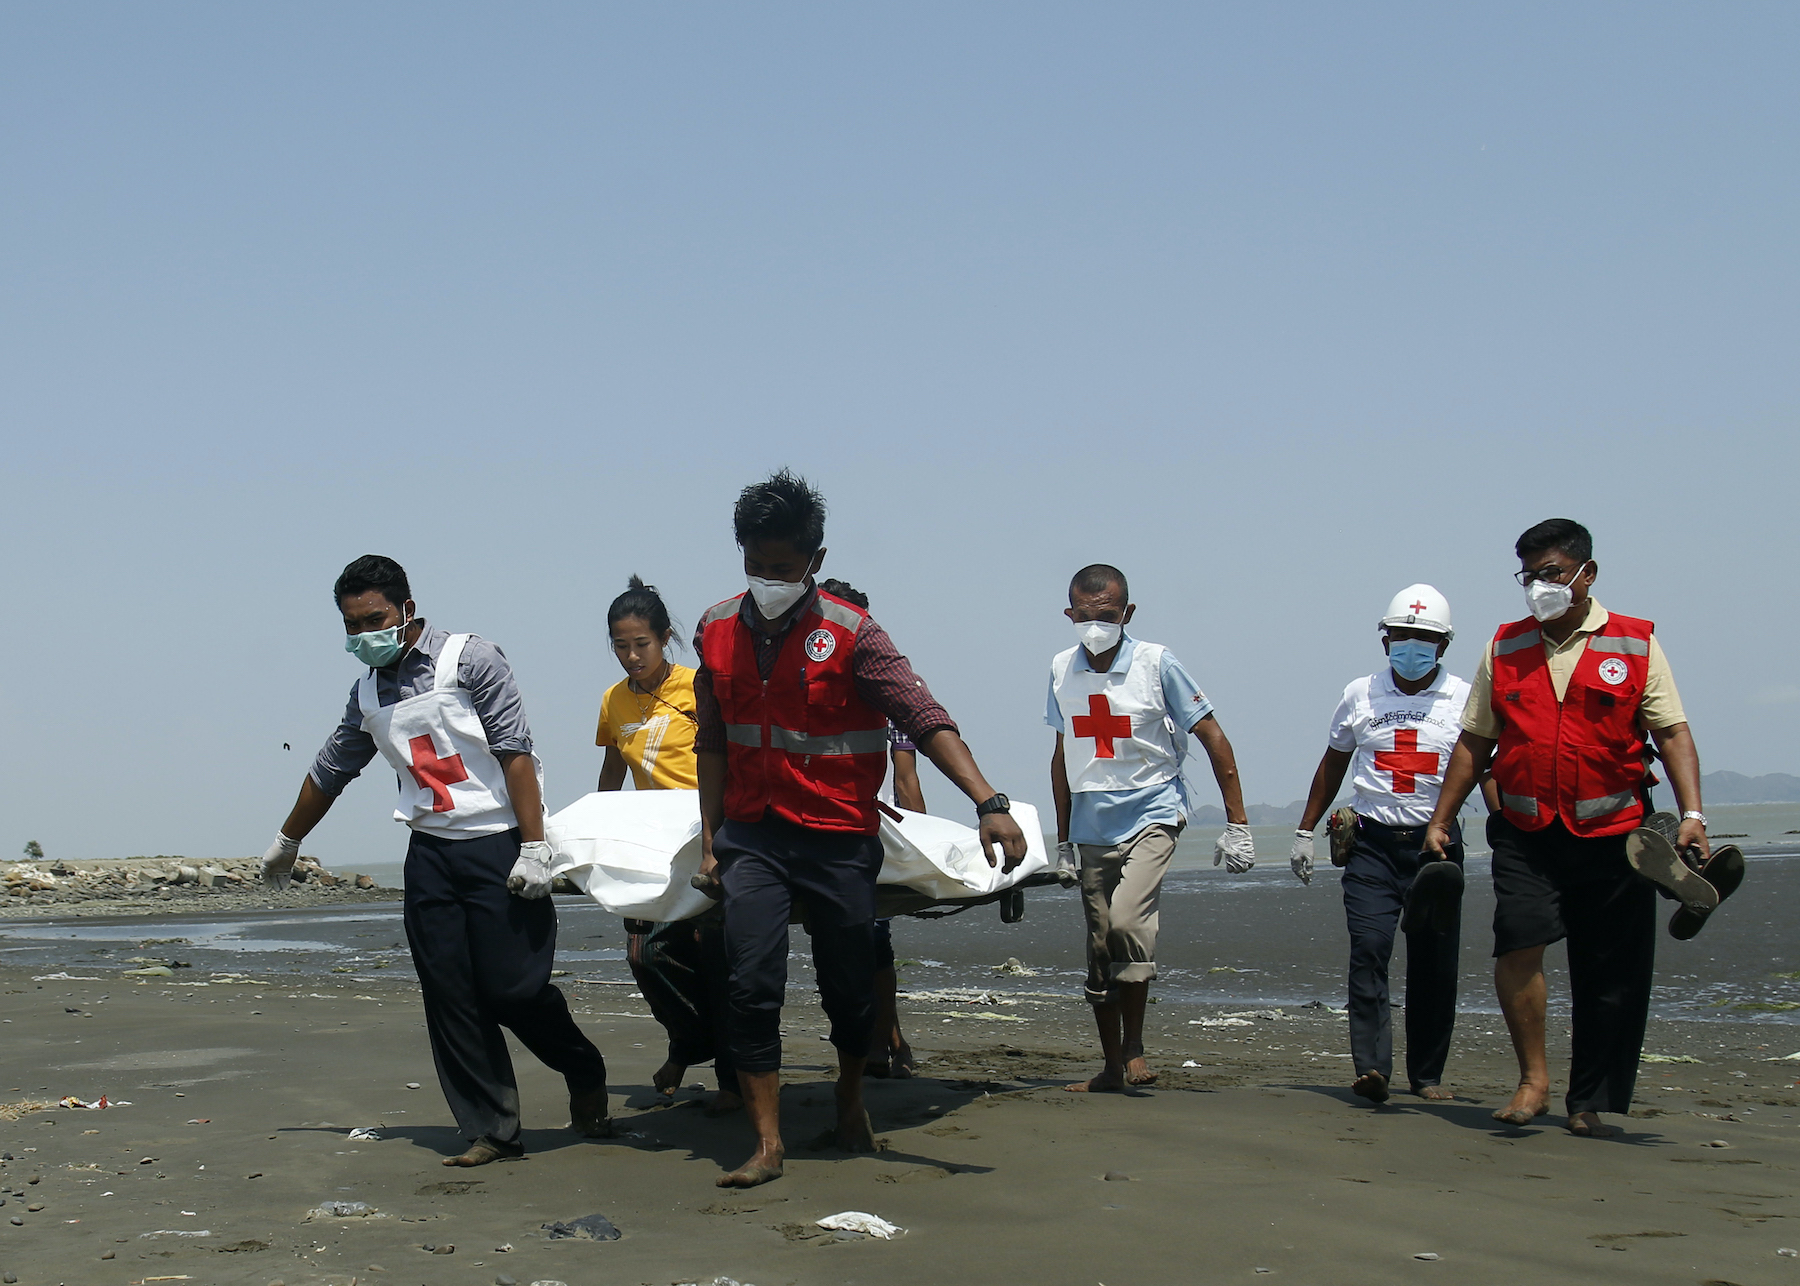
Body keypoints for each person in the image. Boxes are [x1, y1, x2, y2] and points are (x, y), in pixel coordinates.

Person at [693, 470, 1027, 1188]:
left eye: (780, 569)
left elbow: (924, 716)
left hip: (838, 833)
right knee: (750, 982)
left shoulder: (853, 633)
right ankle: (767, 1142)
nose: (765, 579)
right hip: (752, 834)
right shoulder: (714, 629)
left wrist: (987, 800)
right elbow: (713, 741)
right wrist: (709, 838)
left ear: (813, 560)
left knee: (849, 984)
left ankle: (850, 1097)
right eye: (754, 565)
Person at [260, 555, 609, 1167]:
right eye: (351, 625)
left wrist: (534, 846)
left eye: (374, 619)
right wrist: (287, 840)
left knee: (514, 989)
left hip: (500, 842)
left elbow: (514, 752)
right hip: (430, 854)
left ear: (407, 610)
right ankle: (492, 1129)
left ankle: (583, 1066)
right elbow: (330, 769)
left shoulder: (470, 659)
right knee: (449, 993)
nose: (363, 634)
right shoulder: (367, 691)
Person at [1423, 519, 1709, 1138]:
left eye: (1551, 573)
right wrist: (1442, 817)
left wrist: (1692, 816)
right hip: (1527, 831)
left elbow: (1673, 733)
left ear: (1586, 574)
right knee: (1518, 941)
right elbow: (1476, 739)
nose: (1538, 587)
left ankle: (1591, 1099)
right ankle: (1534, 1081)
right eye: (1528, 576)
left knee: (1611, 970)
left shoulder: (1634, 643)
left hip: (1617, 835)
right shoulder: (1505, 646)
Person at [1048, 563, 1253, 1093]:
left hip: (1153, 811)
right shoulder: (1059, 670)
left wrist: (1238, 823)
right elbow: (1062, 755)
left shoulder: (1156, 663)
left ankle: (1135, 1043)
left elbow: (1212, 735)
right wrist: (1064, 838)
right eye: (1085, 616)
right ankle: (1112, 1066)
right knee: (1099, 947)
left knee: (1127, 924)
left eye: (1108, 615)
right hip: (1091, 823)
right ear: (1069, 615)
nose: (1096, 625)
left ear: (1127, 614)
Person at [1292, 585, 1470, 1105]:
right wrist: (1305, 830)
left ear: (1443, 645)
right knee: (1369, 950)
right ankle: (1372, 1068)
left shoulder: (1464, 698)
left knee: (1435, 961)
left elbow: (1484, 768)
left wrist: (1509, 830)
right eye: (1402, 636)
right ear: (1385, 639)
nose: (1411, 645)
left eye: (1425, 638)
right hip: (1370, 844)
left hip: (1435, 849)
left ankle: (1428, 1074)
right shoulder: (1359, 694)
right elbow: (1333, 763)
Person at [594, 576, 742, 1116]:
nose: (631, 656)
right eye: (620, 646)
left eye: (642, 644)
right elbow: (612, 772)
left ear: (665, 638)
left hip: (706, 835)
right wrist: (596, 833)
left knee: (713, 958)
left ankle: (729, 1079)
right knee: (645, 954)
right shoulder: (613, 701)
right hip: (651, 845)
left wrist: (722, 836)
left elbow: (727, 757)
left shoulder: (696, 687)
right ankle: (689, 1042)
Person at [818, 577, 924, 1081]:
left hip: (864, 829)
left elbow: (906, 777)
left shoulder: (889, 688)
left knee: (871, 938)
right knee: (851, 943)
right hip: (808, 827)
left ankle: (887, 1038)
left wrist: (922, 845)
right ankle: (880, 1041)